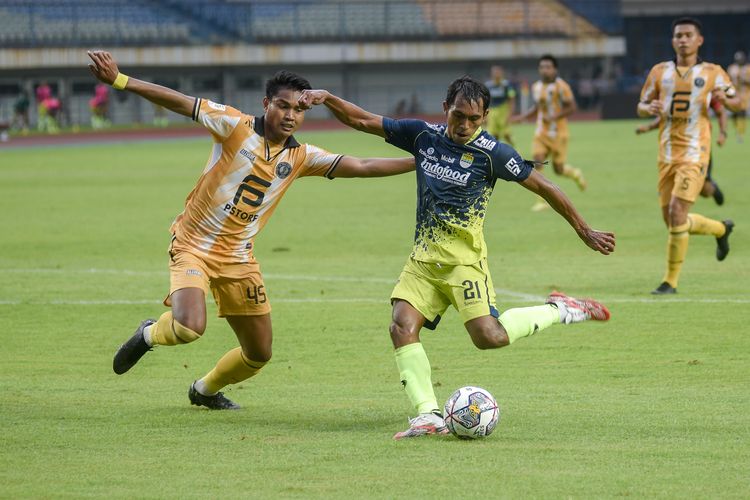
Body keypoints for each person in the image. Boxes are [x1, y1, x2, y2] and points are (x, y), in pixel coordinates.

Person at [86, 50, 415, 409]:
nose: (290, 115)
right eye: (283, 105)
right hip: (193, 245)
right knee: (188, 327)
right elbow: (181, 102)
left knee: (258, 354)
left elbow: (363, 164)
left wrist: (420, 162)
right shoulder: (234, 125)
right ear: (266, 104)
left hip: (238, 259)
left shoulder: (301, 157)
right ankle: (149, 334)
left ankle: (204, 390)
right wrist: (120, 80)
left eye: (299, 110)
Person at [298, 76, 615, 439]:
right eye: (459, 116)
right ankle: (427, 415)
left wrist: (583, 228)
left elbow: (544, 185)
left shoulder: (493, 154)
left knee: (488, 337)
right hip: (422, 261)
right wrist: (326, 98)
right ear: (445, 107)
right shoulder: (422, 136)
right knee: (401, 325)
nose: (464, 126)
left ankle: (560, 309)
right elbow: (363, 120)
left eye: (474, 119)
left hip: (464, 263)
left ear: (484, 117)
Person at [637, 17, 741, 295]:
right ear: (673, 41)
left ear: (699, 40)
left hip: (696, 153)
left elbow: (738, 102)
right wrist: (649, 109)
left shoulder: (713, 72)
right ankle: (721, 229)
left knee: (677, 212)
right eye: (678, 36)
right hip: (666, 154)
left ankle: (669, 282)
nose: (682, 40)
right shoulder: (660, 72)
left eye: (687, 35)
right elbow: (641, 105)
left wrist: (726, 98)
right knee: (673, 222)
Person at [511, 55, 586, 211]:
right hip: (541, 133)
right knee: (537, 161)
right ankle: (540, 201)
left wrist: (555, 116)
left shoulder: (562, 86)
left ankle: (575, 174)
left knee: (558, 169)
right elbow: (538, 108)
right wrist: (522, 117)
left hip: (559, 133)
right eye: (542, 67)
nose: (545, 70)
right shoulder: (536, 87)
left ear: (555, 69)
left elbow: (572, 107)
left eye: (548, 67)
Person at [635, 93, 727, 205]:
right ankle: (670, 195)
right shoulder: (672, 88)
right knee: (673, 177)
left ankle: (711, 188)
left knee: (704, 190)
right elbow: (667, 117)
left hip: (698, 144)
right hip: (675, 144)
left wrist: (723, 133)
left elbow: (720, 111)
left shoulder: (705, 86)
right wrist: (648, 127)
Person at [484, 65, 516, 146]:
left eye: (498, 72)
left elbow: (512, 98)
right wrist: (485, 115)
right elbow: (485, 100)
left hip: (503, 111)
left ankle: (514, 150)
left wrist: (510, 113)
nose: (496, 74)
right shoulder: (488, 85)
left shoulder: (506, 85)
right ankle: (495, 153)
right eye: (494, 72)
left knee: (506, 134)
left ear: (502, 73)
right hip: (492, 112)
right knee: (493, 135)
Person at [727, 50, 750, 142]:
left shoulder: (748, 69)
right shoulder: (732, 68)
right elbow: (727, 81)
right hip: (734, 94)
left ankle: (740, 133)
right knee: (734, 114)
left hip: (745, 95)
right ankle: (737, 130)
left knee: (742, 114)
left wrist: (745, 79)